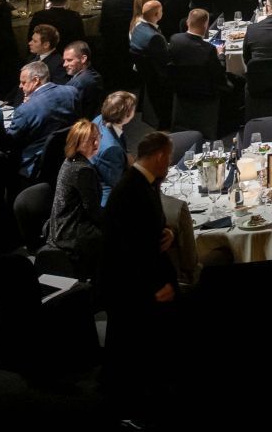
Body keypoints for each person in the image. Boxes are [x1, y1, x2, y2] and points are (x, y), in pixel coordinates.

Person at [99, 131, 179, 410]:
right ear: (159, 157)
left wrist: (168, 232)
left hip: (133, 281)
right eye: (169, 158)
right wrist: (156, 286)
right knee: (135, 352)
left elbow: (148, 229)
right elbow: (130, 249)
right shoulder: (132, 191)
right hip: (131, 287)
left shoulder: (142, 182)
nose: (170, 163)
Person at [46, 119, 106, 276]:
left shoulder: (70, 161)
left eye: (97, 138)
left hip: (61, 224)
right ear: (77, 143)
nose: (96, 143)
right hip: (71, 232)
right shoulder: (83, 170)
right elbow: (93, 211)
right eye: (90, 140)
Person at [7, 59, 77, 180]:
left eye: (23, 82)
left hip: (32, 165)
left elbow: (10, 141)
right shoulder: (71, 92)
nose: (20, 86)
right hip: (64, 155)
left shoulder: (26, 109)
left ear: (36, 80)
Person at [61, 39, 103, 119]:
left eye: (69, 60)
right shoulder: (94, 75)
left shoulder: (79, 82)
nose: (64, 64)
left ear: (83, 59)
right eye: (64, 60)